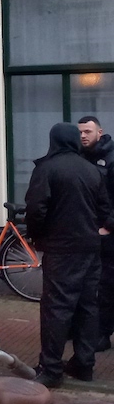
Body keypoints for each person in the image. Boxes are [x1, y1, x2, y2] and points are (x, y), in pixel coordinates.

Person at [24, 122, 113, 387]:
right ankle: (84, 364)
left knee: (57, 308)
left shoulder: (47, 169)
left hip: (61, 250)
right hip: (91, 249)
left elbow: (36, 209)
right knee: (88, 306)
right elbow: (105, 209)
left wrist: (37, 236)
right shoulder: (92, 170)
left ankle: (51, 369)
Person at [78, 114, 114, 351]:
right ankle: (81, 330)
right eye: (80, 132)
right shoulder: (78, 157)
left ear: (99, 132)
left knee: (106, 285)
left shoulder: (111, 159)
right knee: (83, 283)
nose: (83, 136)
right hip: (84, 232)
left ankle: (103, 333)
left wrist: (108, 226)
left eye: (88, 131)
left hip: (106, 234)